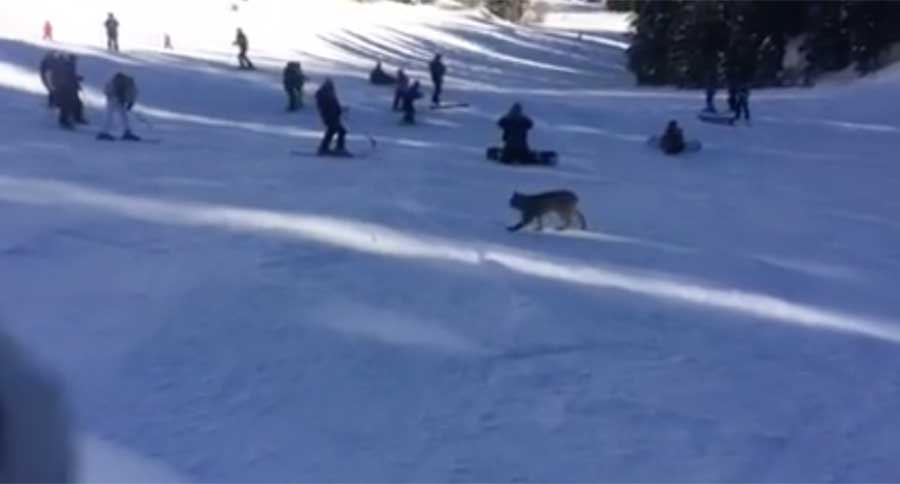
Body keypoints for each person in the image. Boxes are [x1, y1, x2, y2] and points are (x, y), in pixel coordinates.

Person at [97, 72, 140, 141]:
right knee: (113, 115)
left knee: (119, 115)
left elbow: (107, 89)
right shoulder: (130, 85)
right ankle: (104, 132)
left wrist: (125, 101)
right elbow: (130, 95)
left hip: (113, 97)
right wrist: (129, 103)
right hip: (114, 98)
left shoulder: (121, 81)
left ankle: (126, 131)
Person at [315, 79, 348, 156]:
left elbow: (335, 106)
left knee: (332, 131)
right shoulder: (325, 95)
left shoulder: (328, 94)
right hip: (330, 117)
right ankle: (339, 148)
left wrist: (340, 109)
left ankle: (324, 147)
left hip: (332, 117)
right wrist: (335, 111)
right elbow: (328, 107)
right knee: (341, 131)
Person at [52, 54, 86, 129]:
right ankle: (66, 121)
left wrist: (77, 82)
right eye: (75, 60)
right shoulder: (69, 66)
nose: (76, 62)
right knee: (68, 105)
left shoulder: (68, 66)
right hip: (67, 89)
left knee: (75, 104)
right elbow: (70, 77)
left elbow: (71, 77)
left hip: (67, 88)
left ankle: (73, 118)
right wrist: (77, 80)